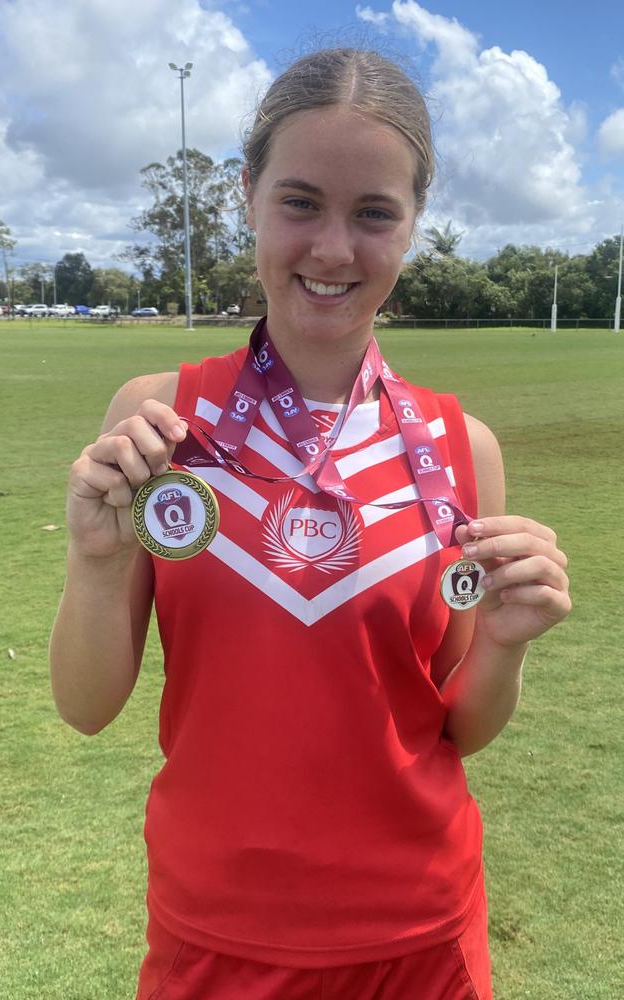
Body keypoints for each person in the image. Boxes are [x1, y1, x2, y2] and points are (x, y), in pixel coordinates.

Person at [50, 48, 571, 1000]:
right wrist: (94, 564)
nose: (335, 249)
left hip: (421, 934)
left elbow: (460, 725)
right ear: (247, 196)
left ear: (413, 225)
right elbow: (86, 709)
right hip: (215, 932)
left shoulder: (464, 446)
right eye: (300, 202)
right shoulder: (159, 420)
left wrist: (503, 647)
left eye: (375, 212)